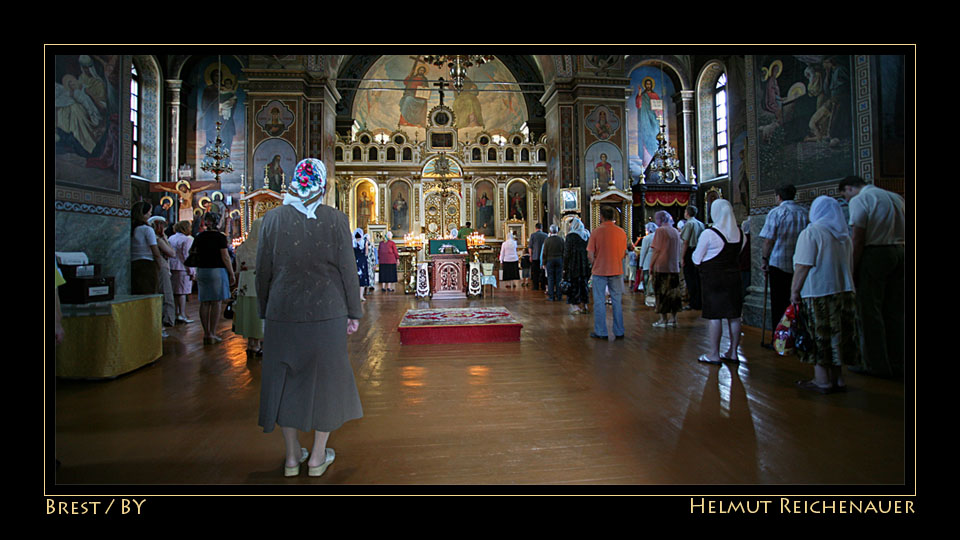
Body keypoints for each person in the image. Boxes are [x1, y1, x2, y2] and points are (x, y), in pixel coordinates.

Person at [256, 157, 363, 478]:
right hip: (328, 313)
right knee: (327, 381)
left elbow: (263, 271)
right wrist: (353, 312)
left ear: (292, 183)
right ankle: (317, 457)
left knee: (284, 381)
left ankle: (291, 458)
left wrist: (264, 311)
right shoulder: (336, 219)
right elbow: (348, 269)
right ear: (325, 186)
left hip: (281, 313)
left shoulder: (271, 219)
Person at [790, 195, 860, 393]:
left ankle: (822, 380)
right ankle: (838, 379)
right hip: (844, 291)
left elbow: (803, 265)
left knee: (819, 335)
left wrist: (794, 291)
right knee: (839, 336)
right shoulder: (844, 235)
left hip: (818, 292)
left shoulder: (812, 232)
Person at [840, 176, 905, 379]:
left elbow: (858, 237)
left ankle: (874, 364)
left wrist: (851, 269)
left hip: (875, 254)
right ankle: (899, 362)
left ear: (849, 188)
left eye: (845, 195)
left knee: (869, 311)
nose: (848, 200)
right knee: (895, 311)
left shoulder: (861, 199)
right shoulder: (895, 197)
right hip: (900, 252)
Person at [693, 199, 744, 365]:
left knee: (715, 316)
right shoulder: (740, 233)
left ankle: (713, 353)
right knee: (734, 316)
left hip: (713, 279)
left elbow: (697, 259)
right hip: (734, 279)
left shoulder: (709, 234)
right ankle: (733, 352)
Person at [759, 184, 809, 344]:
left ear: (778, 196)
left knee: (778, 303)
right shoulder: (804, 212)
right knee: (796, 302)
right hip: (800, 263)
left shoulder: (776, 213)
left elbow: (768, 240)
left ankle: (779, 338)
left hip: (778, 263)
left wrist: (764, 259)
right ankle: (797, 336)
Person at [587, 206, 628, 339]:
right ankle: (619, 331)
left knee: (599, 301)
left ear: (601, 217)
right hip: (616, 269)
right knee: (616, 301)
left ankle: (601, 332)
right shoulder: (621, 232)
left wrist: (595, 263)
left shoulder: (596, 232)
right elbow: (623, 253)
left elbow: (590, 254)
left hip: (600, 270)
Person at [194, 212, 236, 345]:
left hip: (202, 270)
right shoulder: (219, 237)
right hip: (217, 271)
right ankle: (212, 333)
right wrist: (231, 273)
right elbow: (225, 256)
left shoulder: (199, 236)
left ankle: (206, 333)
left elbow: (193, 252)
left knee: (205, 302)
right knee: (216, 302)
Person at [234, 217, 264, 355]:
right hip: (259, 283)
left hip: (245, 283)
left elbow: (238, 268)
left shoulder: (243, 246)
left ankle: (251, 343)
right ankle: (257, 343)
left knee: (248, 311)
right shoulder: (265, 246)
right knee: (257, 313)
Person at [650, 211, 683, 327]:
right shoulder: (675, 231)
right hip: (674, 266)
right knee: (673, 293)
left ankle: (663, 319)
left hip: (661, 266)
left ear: (660, 219)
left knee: (661, 293)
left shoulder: (660, 231)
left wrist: (651, 265)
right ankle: (673, 318)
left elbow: (657, 250)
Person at [148, 215, 177, 331]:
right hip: (161, 267)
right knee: (165, 294)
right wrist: (163, 238)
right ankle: (164, 322)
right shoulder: (157, 239)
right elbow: (171, 253)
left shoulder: (156, 237)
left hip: (158, 267)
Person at [130, 201, 162, 295]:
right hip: (147, 264)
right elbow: (155, 251)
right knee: (148, 292)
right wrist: (159, 265)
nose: (150, 214)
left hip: (134, 263)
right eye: (149, 212)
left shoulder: (132, 228)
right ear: (143, 214)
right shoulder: (147, 229)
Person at [168, 220, 195, 324]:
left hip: (173, 266)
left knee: (175, 292)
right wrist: (191, 271)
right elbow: (186, 256)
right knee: (182, 293)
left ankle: (176, 313)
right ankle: (182, 314)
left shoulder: (171, 237)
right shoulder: (187, 240)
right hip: (183, 268)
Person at [563, 217, 592, 314]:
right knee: (584, 285)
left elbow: (567, 253)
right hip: (585, 265)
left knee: (574, 285)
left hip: (574, 264)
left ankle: (575, 307)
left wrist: (565, 266)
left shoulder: (571, 236)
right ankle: (585, 305)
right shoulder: (587, 235)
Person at [680, 206, 705, 310]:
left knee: (690, 279)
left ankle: (693, 302)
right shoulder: (701, 223)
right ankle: (699, 301)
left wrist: (682, 257)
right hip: (699, 250)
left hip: (690, 251)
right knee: (698, 278)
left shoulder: (689, 224)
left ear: (687, 213)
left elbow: (685, 242)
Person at [541, 224, 565, 301]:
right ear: (557, 231)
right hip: (559, 260)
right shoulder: (561, 240)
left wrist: (544, 262)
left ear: (550, 231)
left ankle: (551, 296)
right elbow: (564, 251)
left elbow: (544, 252)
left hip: (550, 260)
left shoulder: (547, 240)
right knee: (559, 278)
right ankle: (559, 296)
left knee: (550, 279)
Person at [638, 222, 657, 298]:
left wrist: (641, 264)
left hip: (647, 262)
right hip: (657, 261)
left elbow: (643, 252)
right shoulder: (659, 236)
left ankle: (648, 295)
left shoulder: (647, 238)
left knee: (647, 280)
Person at [528, 223, 548, 292]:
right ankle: (543, 286)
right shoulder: (546, 235)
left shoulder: (533, 235)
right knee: (543, 272)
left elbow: (530, 247)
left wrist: (530, 256)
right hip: (543, 257)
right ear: (541, 228)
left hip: (535, 256)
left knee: (535, 273)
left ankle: (536, 286)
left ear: (536, 228)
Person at [353, 229, 369, 302]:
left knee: (355, 279)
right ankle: (361, 296)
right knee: (362, 280)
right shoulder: (365, 242)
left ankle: (355, 296)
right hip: (362, 262)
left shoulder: (352, 242)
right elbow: (366, 253)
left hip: (354, 262)